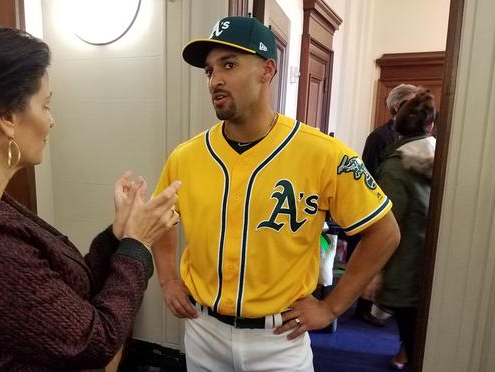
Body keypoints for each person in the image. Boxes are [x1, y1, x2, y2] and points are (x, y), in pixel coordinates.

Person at [0, 25, 181, 372]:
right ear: (7, 117)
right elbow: (96, 342)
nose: (51, 121)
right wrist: (138, 244)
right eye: (45, 106)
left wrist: (117, 237)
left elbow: (59, 294)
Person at [152, 16, 401, 371]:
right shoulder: (186, 157)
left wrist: (331, 308)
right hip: (204, 331)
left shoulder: (323, 153)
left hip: (279, 340)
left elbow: (385, 232)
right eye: (209, 71)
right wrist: (167, 279)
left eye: (229, 64)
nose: (215, 80)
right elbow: (160, 218)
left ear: (267, 70)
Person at [375, 90, 436, 370]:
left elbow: (387, 225)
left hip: (405, 260)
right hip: (430, 259)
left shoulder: (396, 167)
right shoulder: (442, 157)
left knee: (412, 329)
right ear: (430, 126)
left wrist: (373, 271)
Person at [354, 83, 420, 325]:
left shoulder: (416, 135)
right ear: (396, 107)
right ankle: (363, 306)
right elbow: (367, 175)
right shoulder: (379, 137)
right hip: (378, 207)